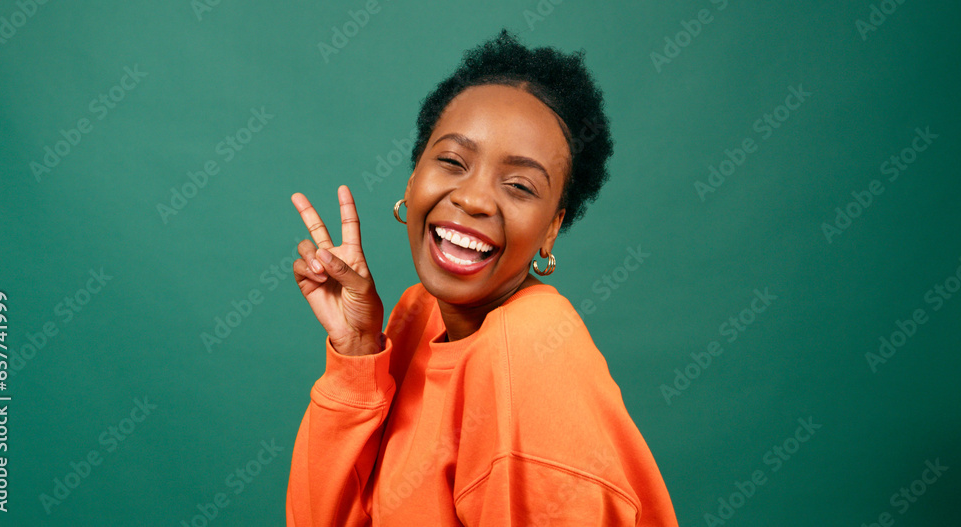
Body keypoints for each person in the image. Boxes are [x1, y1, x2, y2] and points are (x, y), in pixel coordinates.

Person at [286, 29, 678, 526]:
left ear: (551, 229)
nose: (473, 199)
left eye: (519, 186)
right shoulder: (419, 314)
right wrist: (359, 355)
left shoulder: (529, 354)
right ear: (413, 179)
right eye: (452, 161)